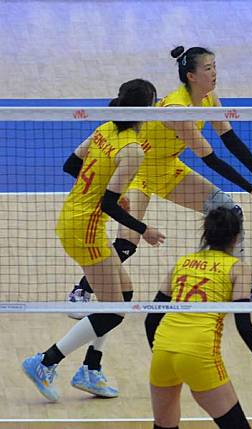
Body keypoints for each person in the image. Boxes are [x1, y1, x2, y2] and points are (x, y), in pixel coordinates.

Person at [67, 44, 252, 315]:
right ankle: (81, 291)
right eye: (207, 68)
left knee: (230, 211)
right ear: (191, 76)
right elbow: (211, 159)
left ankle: (242, 285)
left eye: (214, 66)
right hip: (138, 172)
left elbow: (230, 139)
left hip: (168, 168)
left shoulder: (209, 97)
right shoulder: (178, 111)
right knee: (127, 243)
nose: (214, 73)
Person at [21, 79, 165, 402]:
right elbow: (108, 204)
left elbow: (71, 164)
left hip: (75, 218)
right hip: (85, 230)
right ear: (144, 110)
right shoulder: (132, 150)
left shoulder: (105, 129)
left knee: (124, 294)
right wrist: (144, 230)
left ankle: (90, 369)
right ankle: (45, 361)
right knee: (113, 310)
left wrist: (102, 190)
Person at [145, 207, 252, 429]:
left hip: (163, 350)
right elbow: (243, 325)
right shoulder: (238, 269)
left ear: (206, 234)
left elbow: (151, 319)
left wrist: (166, 354)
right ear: (236, 238)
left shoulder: (182, 263)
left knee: (164, 426)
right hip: (199, 352)